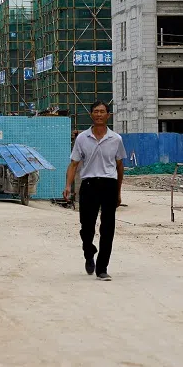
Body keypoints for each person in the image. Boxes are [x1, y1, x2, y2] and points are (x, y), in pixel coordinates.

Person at [63, 100, 126, 281]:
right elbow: (74, 163)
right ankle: (88, 251)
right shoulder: (82, 138)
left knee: (108, 228)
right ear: (91, 114)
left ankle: (102, 268)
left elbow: (120, 166)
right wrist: (68, 186)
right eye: (96, 111)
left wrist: (119, 191)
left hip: (109, 185)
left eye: (102, 111)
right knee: (87, 226)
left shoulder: (116, 139)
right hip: (89, 185)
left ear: (108, 115)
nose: (99, 114)